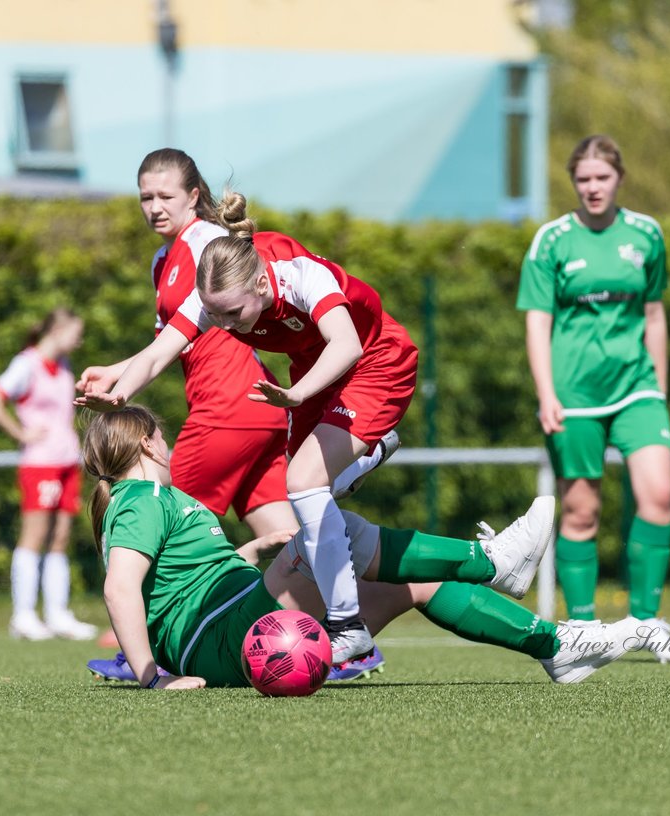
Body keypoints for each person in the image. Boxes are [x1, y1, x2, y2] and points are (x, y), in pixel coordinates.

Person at [78, 189, 438, 666]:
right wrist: (119, 393)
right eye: (215, 314)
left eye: (232, 314)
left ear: (262, 287)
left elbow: (348, 344)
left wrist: (298, 395)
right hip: (312, 369)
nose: (223, 326)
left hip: (375, 361)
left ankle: (348, 627)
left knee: (304, 482)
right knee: (309, 493)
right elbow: (162, 351)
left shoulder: (298, 274)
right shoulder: (219, 298)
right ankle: (366, 467)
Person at [80, 405, 644, 689]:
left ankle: (553, 647)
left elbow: (178, 582)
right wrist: (154, 675)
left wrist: (254, 550)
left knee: (413, 584)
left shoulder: (150, 499)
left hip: (239, 619)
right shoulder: (143, 496)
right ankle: (492, 562)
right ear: (149, 439)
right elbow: (120, 586)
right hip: (228, 637)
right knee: (332, 530)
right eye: (163, 433)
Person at [516, 134, 670, 664]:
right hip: (572, 395)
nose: (593, 188)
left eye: (602, 178)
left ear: (619, 178)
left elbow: (655, 314)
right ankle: (585, 629)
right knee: (581, 510)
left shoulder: (646, 235)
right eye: (583, 179)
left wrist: (657, 387)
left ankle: (645, 623)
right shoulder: (552, 241)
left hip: (637, 389)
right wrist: (546, 394)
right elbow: (537, 321)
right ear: (574, 183)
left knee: (659, 496)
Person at [0, 308, 99, 641]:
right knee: (34, 534)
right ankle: (24, 615)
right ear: (58, 330)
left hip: (66, 462)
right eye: (77, 332)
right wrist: (21, 434)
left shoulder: (63, 366)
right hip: (40, 462)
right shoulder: (26, 364)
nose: (80, 340)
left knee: (60, 537)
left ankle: (58, 614)